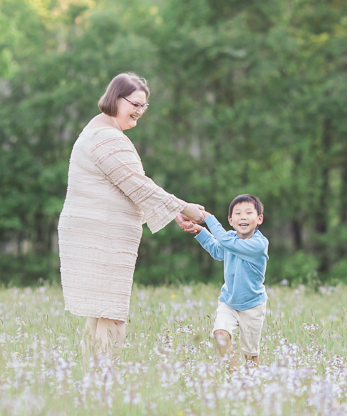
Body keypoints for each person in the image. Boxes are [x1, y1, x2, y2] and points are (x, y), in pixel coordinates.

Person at [58, 72, 205, 367]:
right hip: (103, 234)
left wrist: (174, 212)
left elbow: (130, 185)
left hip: (95, 230)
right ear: (116, 98)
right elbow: (139, 185)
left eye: (144, 106)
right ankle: (104, 378)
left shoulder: (97, 130)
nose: (139, 111)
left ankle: (89, 379)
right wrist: (185, 207)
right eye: (135, 103)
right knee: (112, 311)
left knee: (100, 310)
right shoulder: (107, 136)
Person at [182, 194, 269, 369]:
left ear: (259, 219)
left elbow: (225, 242)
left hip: (252, 305)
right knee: (220, 334)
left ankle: (252, 386)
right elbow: (217, 250)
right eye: (237, 213)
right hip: (229, 301)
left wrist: (207, 217)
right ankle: (234, 379)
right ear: (230, 220)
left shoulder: (259, 244)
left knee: (251, 358)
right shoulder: (230, 239)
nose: (243, 217)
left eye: (248, 213)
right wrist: (200, 231)